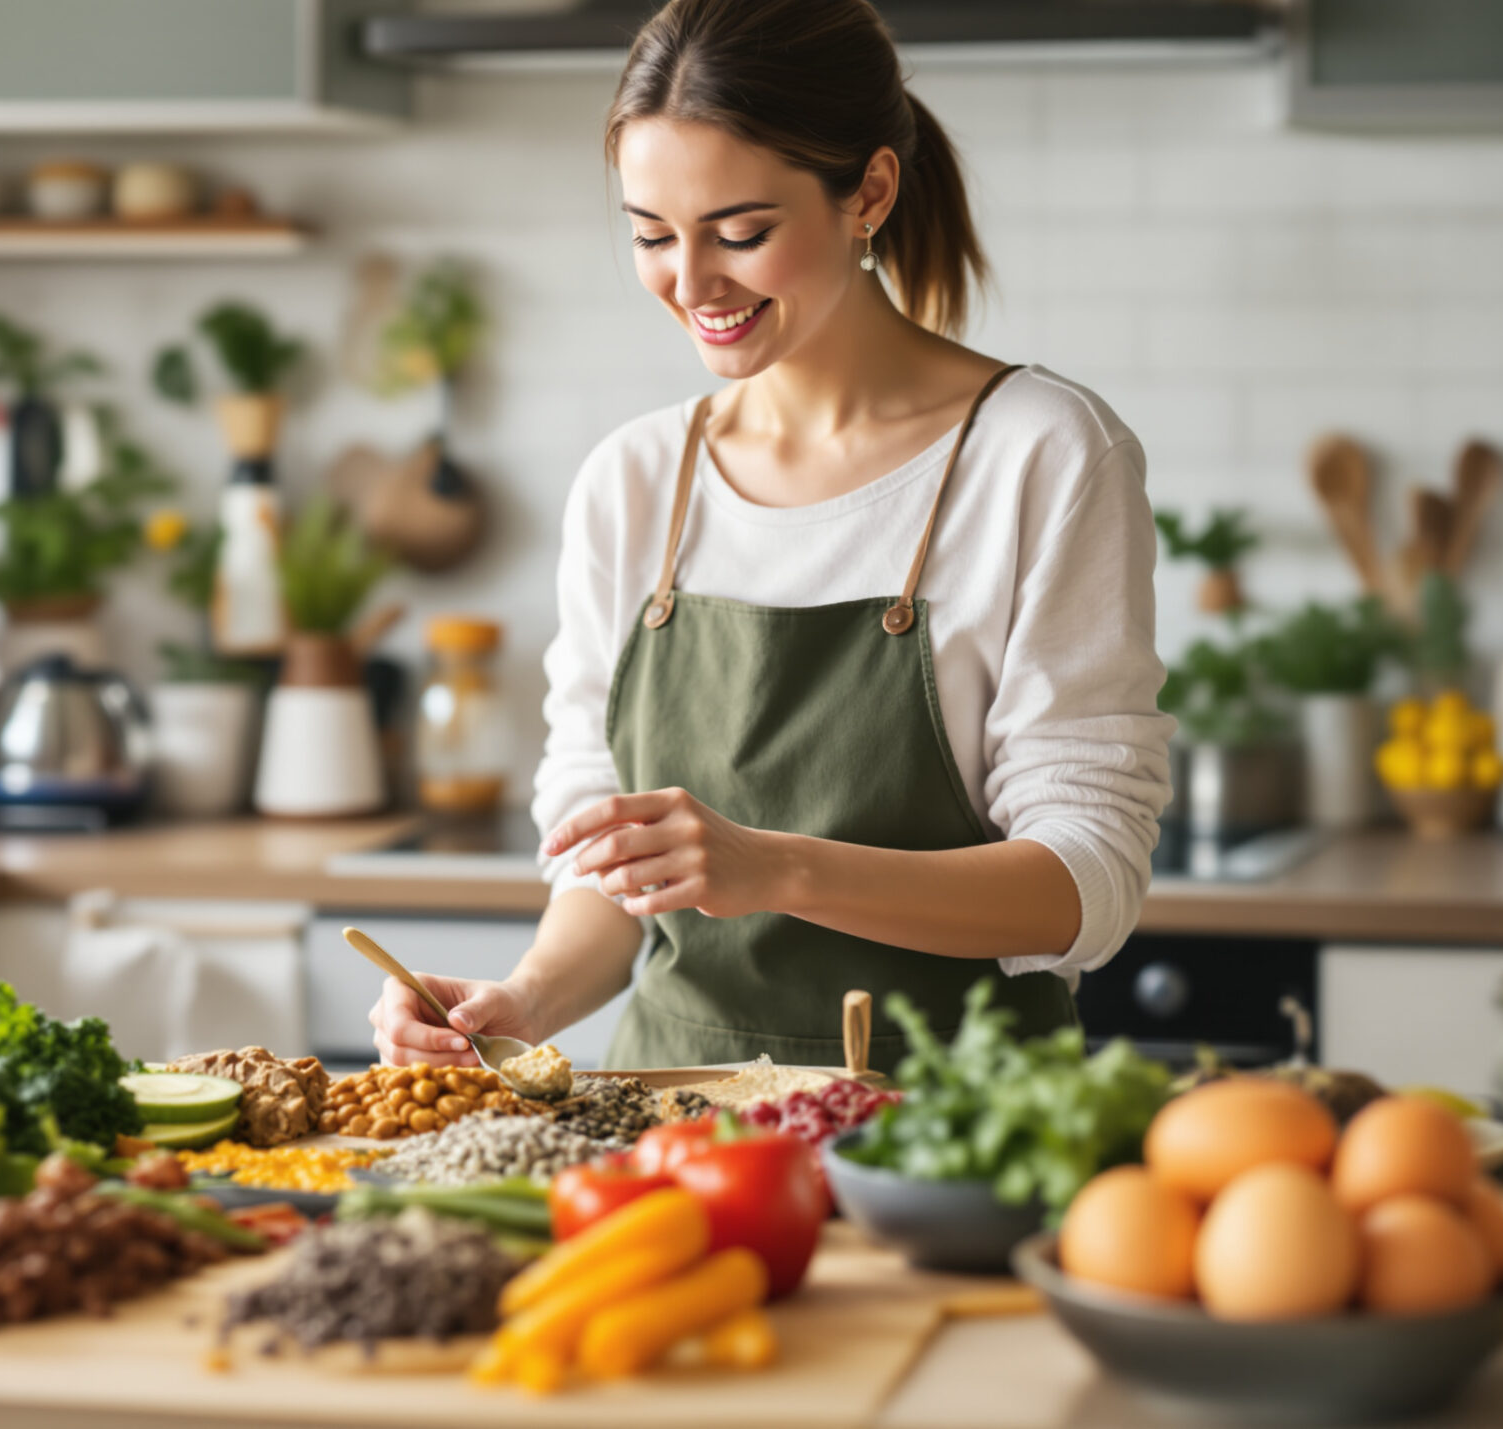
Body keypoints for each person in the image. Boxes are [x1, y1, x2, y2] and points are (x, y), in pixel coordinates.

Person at [369, 0, 1173, 1073]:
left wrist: (779, 868)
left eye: (740, 233)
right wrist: (523, 1000)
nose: (691, 284)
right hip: (667, 1123)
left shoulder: (1040, 454)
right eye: (652, 235)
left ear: (868, 193)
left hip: (960, 1136)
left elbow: (1088, 880)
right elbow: (607, 870)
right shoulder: (634, 482)